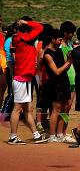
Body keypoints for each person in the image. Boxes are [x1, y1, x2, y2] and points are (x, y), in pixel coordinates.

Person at [8, 17, 47, 145]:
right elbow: (40, 27)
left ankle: (36, 135)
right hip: (21, 79)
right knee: (17, 109)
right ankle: (13, 137)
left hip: (25, 78)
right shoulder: (23, 38)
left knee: (28, 109)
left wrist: (24, 23)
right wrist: (26, 22)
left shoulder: (21, 38)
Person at [42, 29, 72, 143]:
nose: (60, 42)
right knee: (56, 109)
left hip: (64, 82)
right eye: (59, 40)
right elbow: (57, 71)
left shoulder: (59, 51)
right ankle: (52, 135)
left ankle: (60, 134)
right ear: (53, 39)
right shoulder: (48, 54)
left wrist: (70, 61)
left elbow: (64, 68)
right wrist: (68, 62)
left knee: (66, 107)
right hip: (55, 84)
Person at [59, 21, 77, 142]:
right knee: (63, 107)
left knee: (68, 106)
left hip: (73, 78)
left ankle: (63, 132)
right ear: (65, 33)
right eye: (70, 33)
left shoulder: (70, 44)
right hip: (65, 78)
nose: (72, 35)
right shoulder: (59, 46)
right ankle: (59, 133)